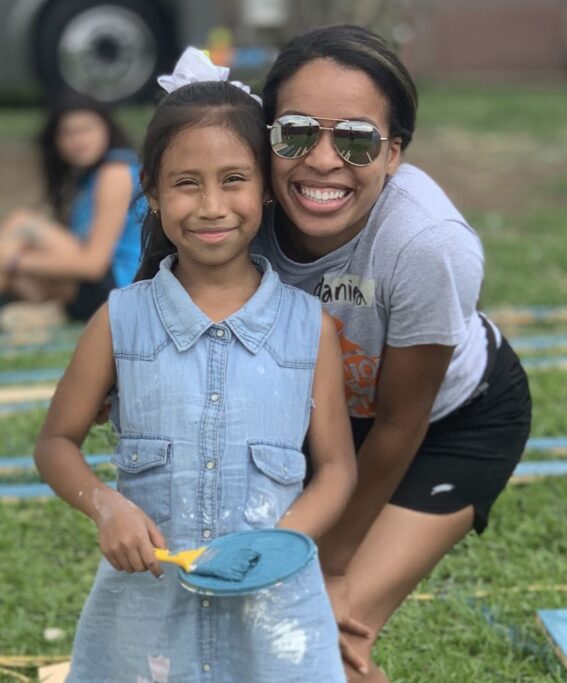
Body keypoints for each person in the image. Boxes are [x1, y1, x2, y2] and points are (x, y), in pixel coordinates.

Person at [34, 48, 356, 682]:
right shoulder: (118, 321)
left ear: (266, 189)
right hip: (144, 620)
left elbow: (338, 469)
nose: (211, 205)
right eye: (186, 183)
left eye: (234, 179)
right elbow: (54, 442)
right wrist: (106, 507)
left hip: (278, 618)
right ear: (151, 193)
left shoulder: (310, 330)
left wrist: (274, 546)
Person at [252, 25, 532, 682]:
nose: (322, 160)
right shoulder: (235, 203)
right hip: (316, 422)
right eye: (295, 131)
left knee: (315, 633)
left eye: (354, 139)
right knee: (262, 625)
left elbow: (399, 423)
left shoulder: (426, 244)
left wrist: (328, 563)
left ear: (393, 153)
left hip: (446, 426)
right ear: (264, 137)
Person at [0, 93, 146, 326]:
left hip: (119, 288)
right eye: (68, 133)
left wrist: (15, 260)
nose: (78, 140)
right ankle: (46, 313)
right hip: (95, 288)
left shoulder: (115, 172)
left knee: (22, 223)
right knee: (19, 271)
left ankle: (42, 313)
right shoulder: (85, 179)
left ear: (106, 129)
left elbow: (93, 265)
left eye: (86, 130)